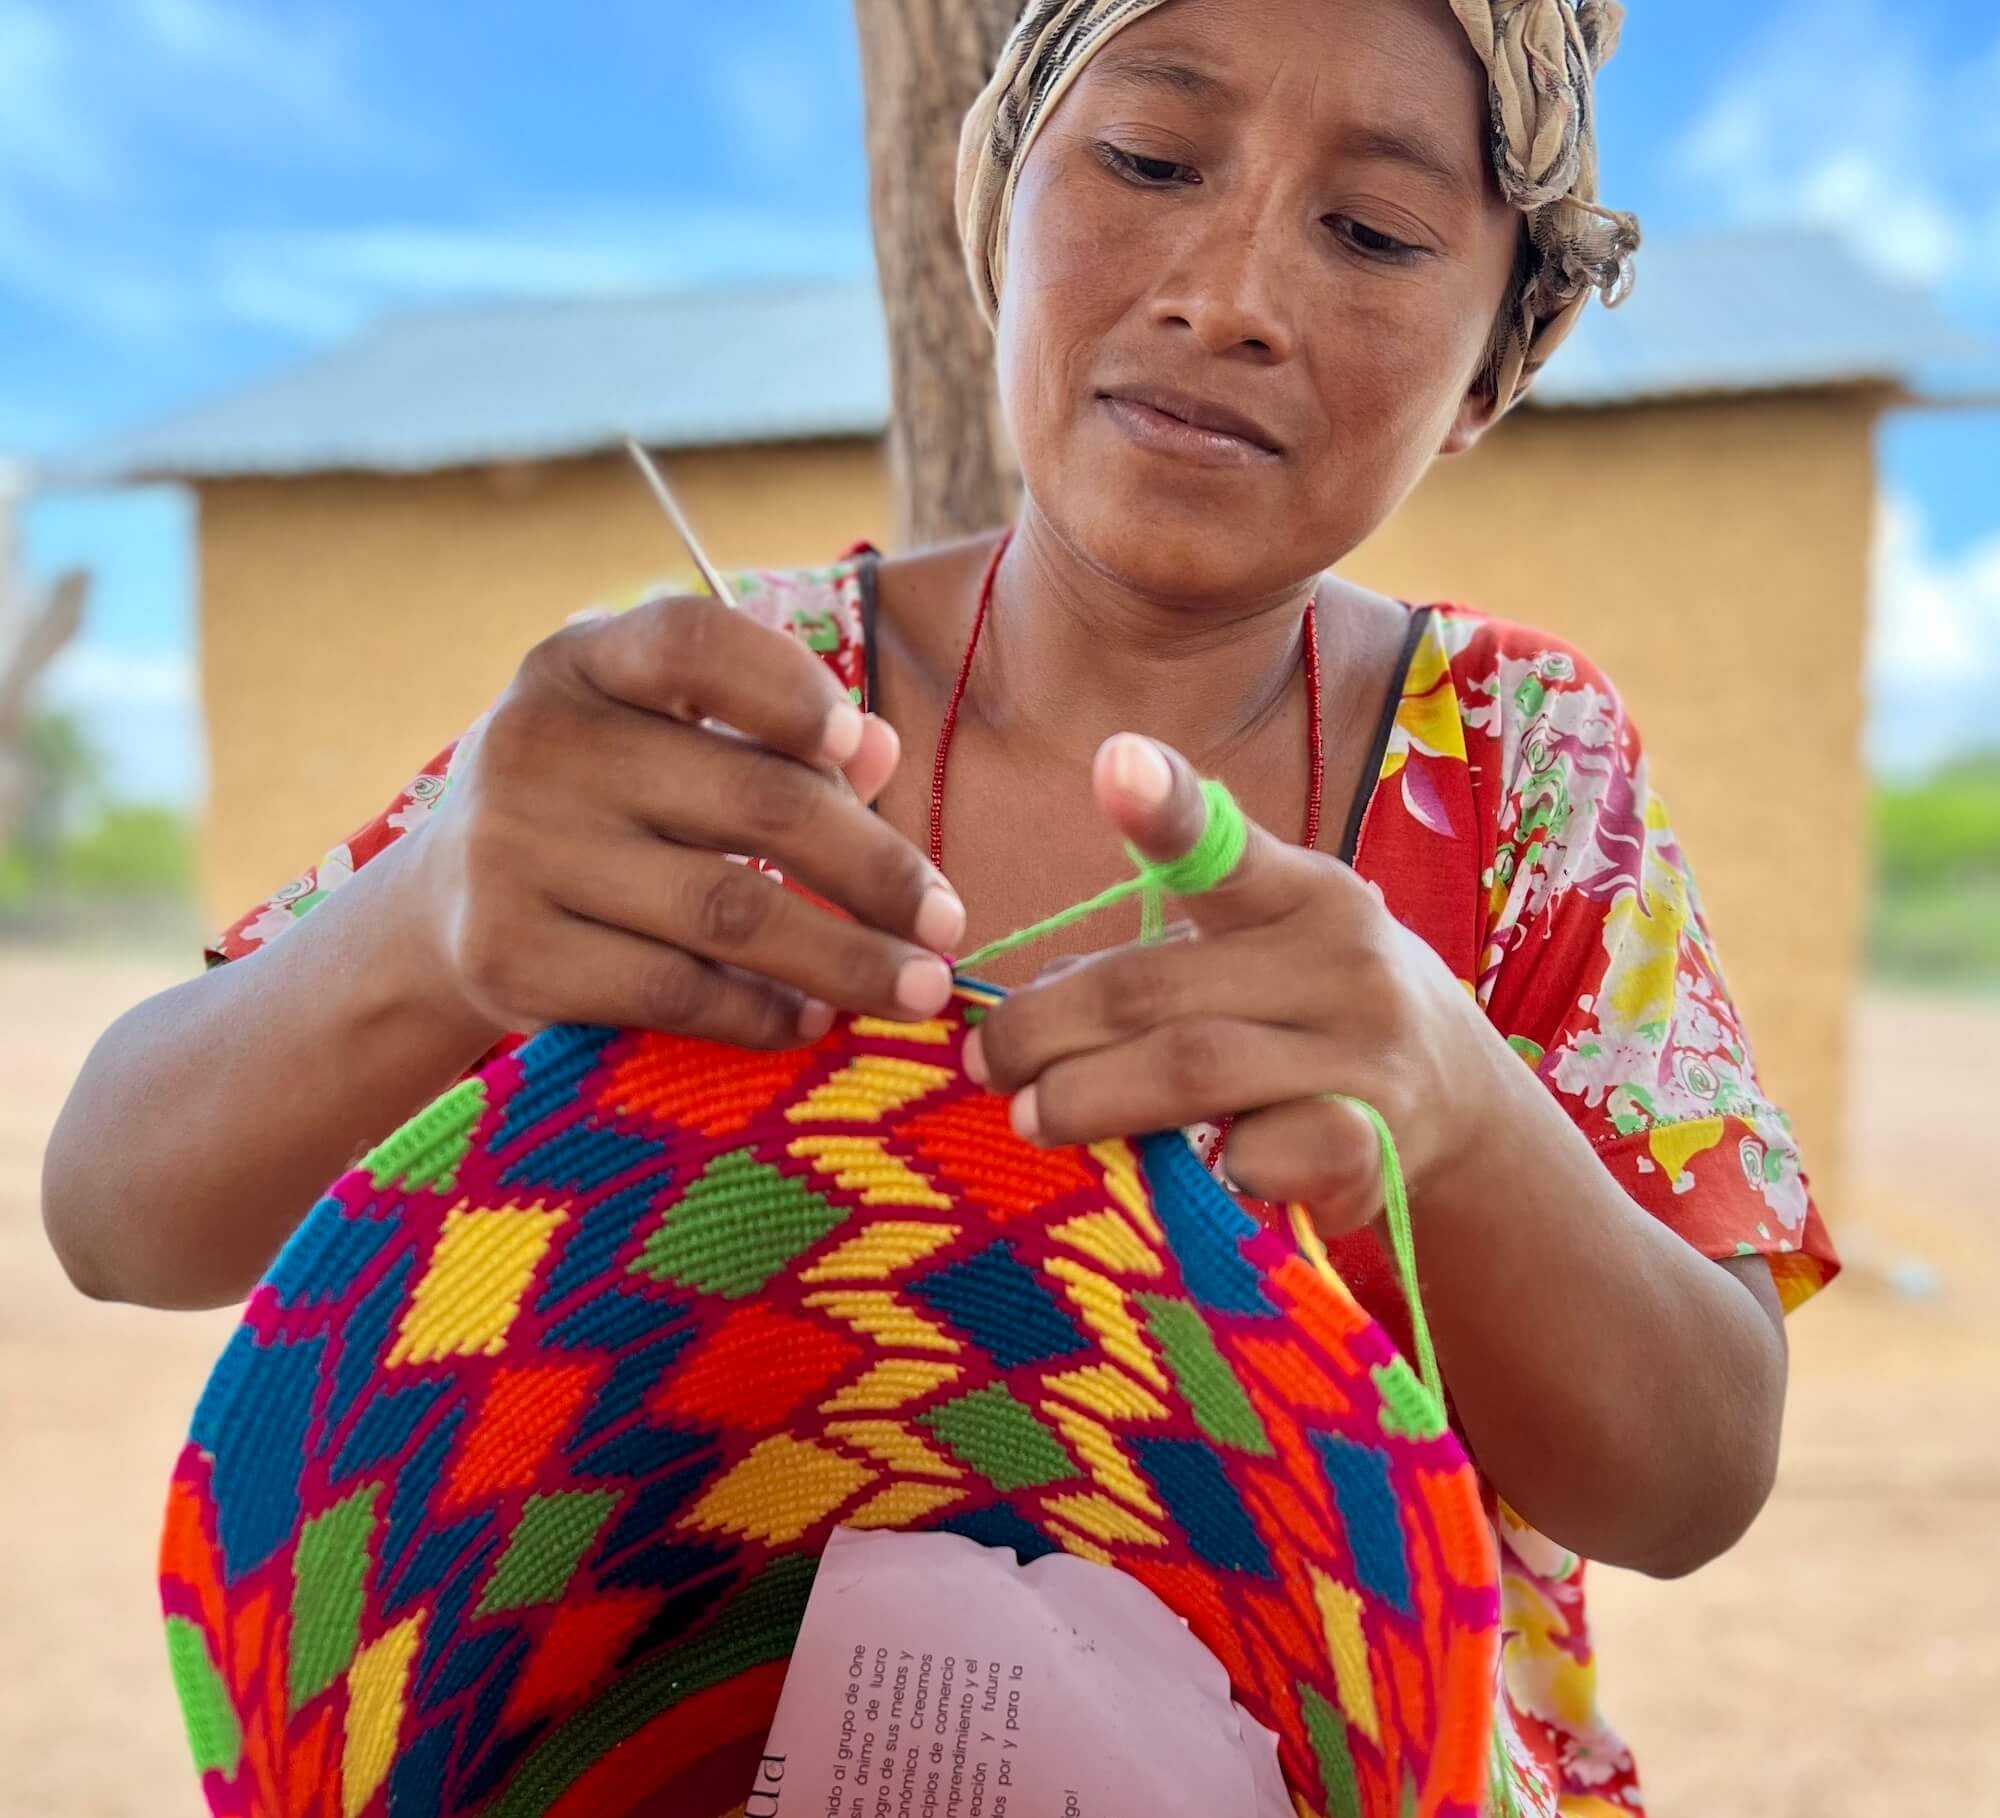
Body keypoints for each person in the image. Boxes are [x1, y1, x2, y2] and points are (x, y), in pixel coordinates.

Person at [44, 0, 1837, 1806]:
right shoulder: (715, 719)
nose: (1229, 294)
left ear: (1489, 371)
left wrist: (1455, 1113)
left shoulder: (1520, 772)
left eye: (1370, 231)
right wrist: (429, 922)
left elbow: (1694, 1475)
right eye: (1148, 158)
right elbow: (118, 1212)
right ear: (1002, 209)